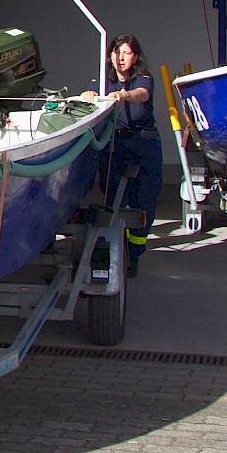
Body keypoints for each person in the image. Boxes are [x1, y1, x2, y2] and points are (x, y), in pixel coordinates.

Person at [83, 34, 163, 277]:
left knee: (143, 202)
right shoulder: (104, 81)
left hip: (144, 146)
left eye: (126, 53)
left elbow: (141, 94)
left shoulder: (144, 79)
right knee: (114, 199)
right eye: (116, 53)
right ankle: (113, 248)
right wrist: (89, 96)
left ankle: (134, 254)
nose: (120, 58)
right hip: (114, 145)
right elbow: (93, 96)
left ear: (135, 57)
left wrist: (124, 95)